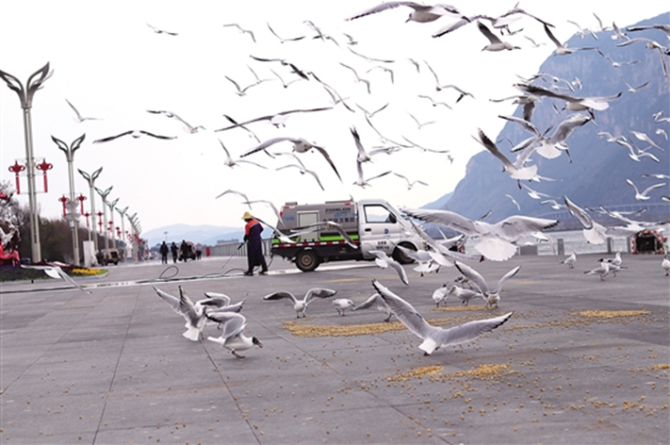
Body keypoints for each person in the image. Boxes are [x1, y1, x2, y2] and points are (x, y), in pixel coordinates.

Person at [242, 211, 268, 276]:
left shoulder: (248, 225)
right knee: (260, 255)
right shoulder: (257, 222)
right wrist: (257, 235)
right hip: (258, 240)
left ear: (247, 219)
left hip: (252, 242)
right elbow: (262, 229)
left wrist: (245, 239)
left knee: (251, 256)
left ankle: (250, 271)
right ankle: (265, 269)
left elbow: (247, 234)